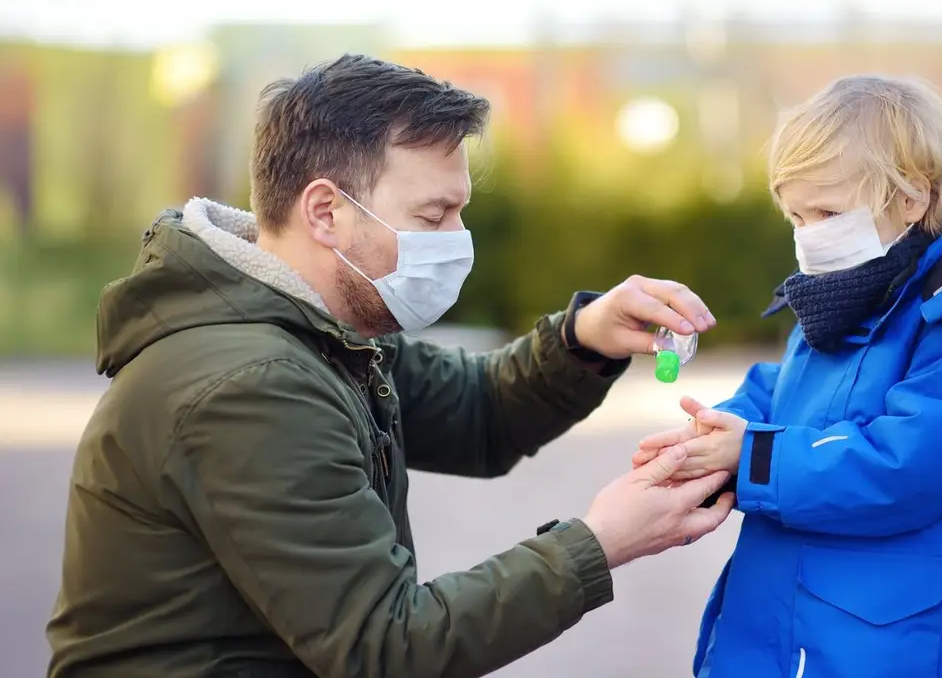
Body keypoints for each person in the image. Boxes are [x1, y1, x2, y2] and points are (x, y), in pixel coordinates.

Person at [46, 54, 736, 678]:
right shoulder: (252, 386)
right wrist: (597, 544)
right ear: (326, 212)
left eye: (461, 212)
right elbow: (385, 647)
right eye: (434, 216)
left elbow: (478, 415)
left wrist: (586, 336)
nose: (457, 241)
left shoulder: (320, 328)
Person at [633, 75, 942, 678]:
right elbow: (785, 389)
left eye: (828, 212)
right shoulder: (850, 290)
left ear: (913, 197)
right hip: (778, 629)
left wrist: (753, 458)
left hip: (885, 642)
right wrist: (718, 435)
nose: (809, 236)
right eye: (796, 216)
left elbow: (916, 462)